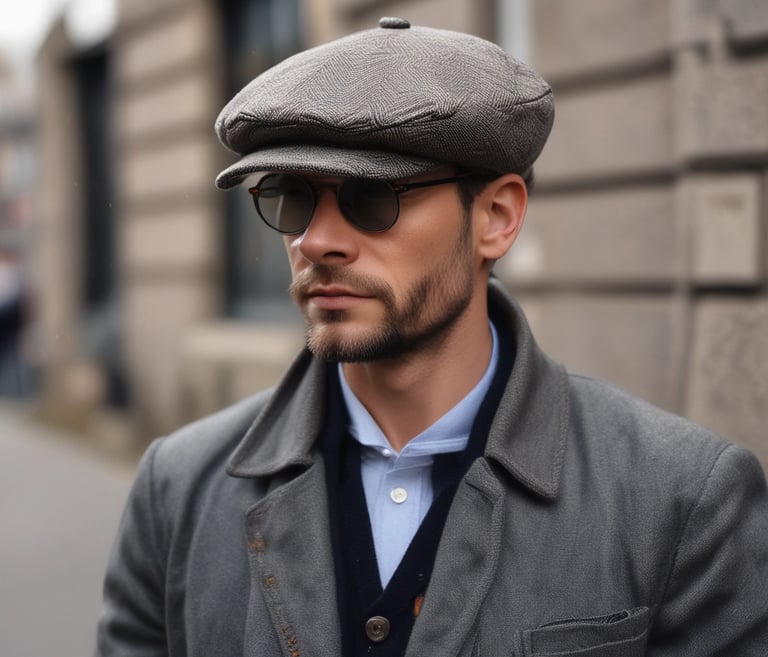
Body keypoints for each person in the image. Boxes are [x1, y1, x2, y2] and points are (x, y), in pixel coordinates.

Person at [96, 18, 768, 657]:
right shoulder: (178, 491)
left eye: (370, 197)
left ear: (496, 217)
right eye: (292, 196)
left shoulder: (679, 500)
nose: (315, 241)